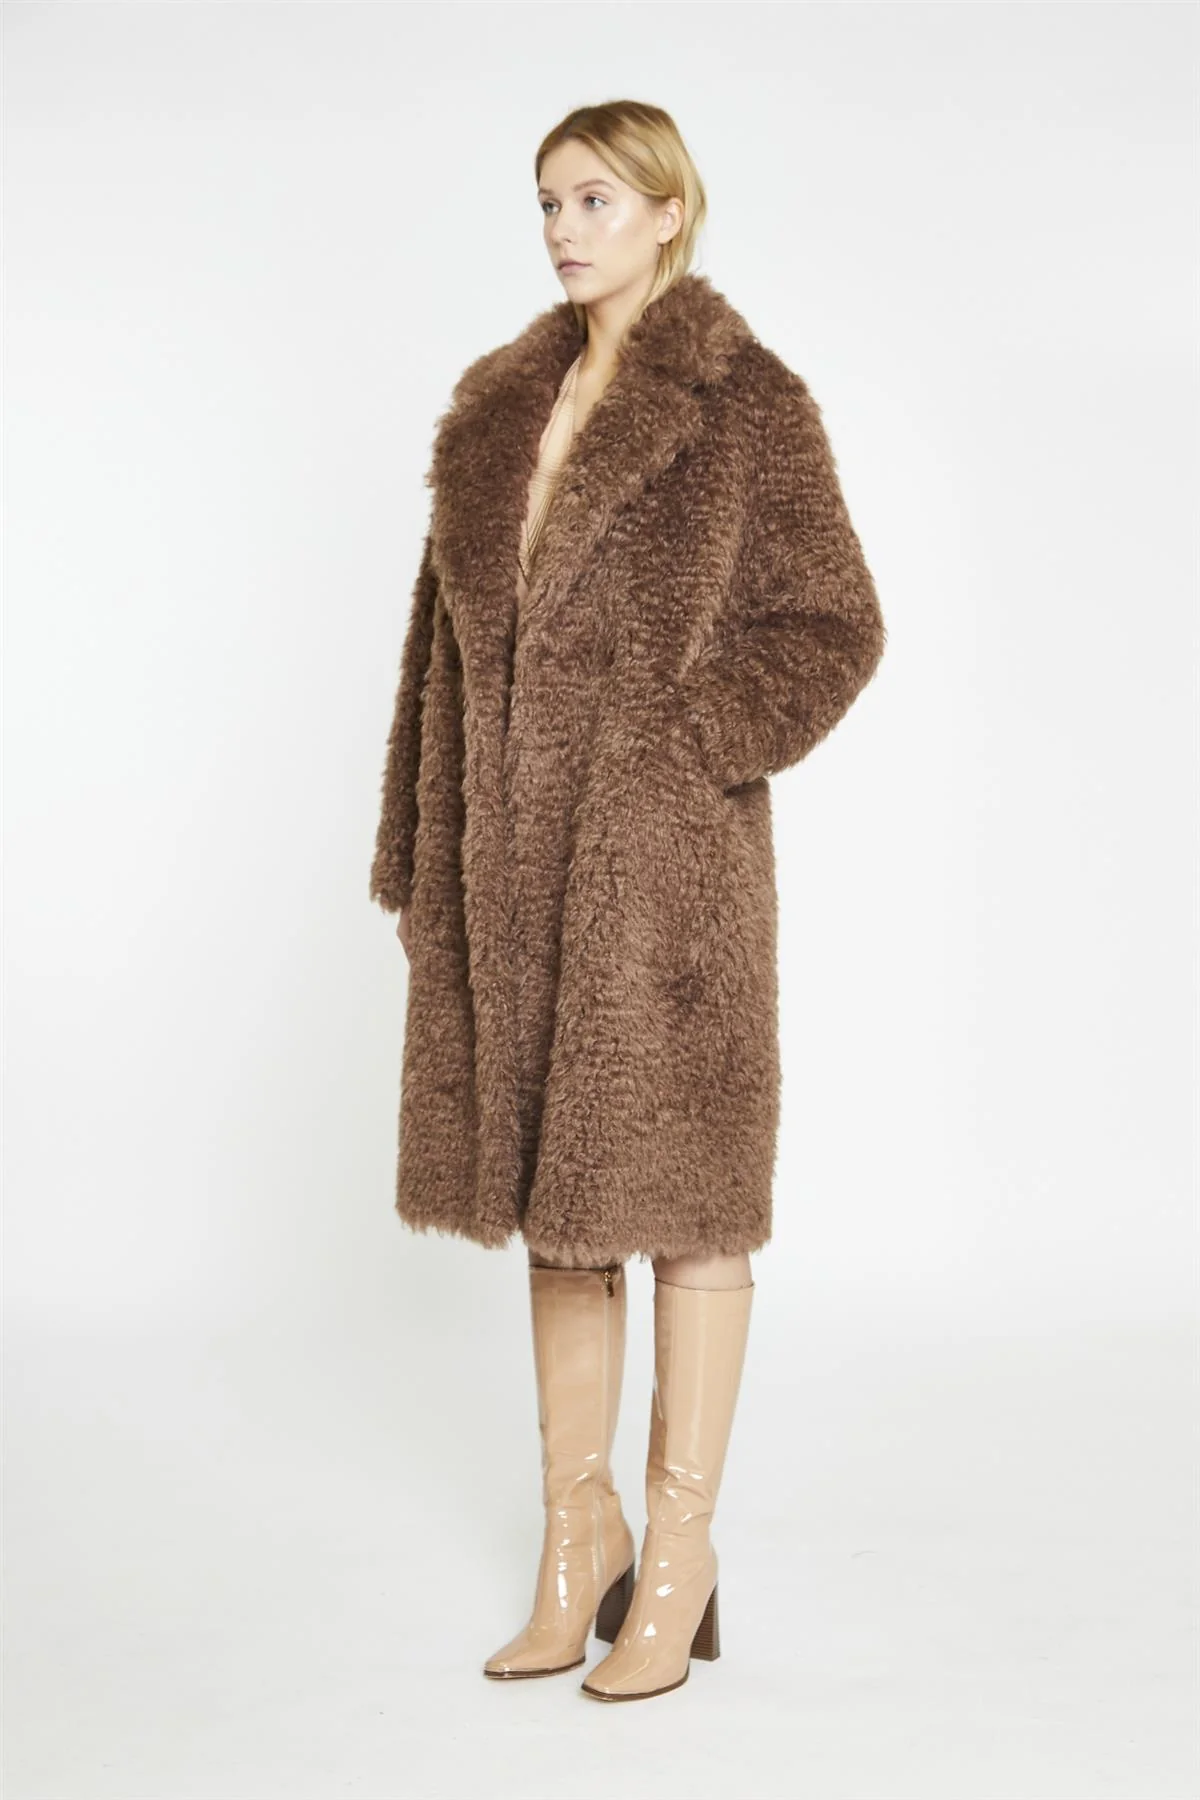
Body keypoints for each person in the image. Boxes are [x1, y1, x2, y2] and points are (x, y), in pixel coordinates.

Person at [369, 100, 886, 1702]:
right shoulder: (497, 407)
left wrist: (687, 747)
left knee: (690, 1205)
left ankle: (679, 1552)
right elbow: (437, 657)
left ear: (670, 210)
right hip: (511, 868)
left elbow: (835, 624)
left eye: (596, 199)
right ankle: (575, 1532)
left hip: (665, 886)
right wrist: (417, 845)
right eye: (547, 203)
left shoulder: (742, 402)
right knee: (562, 1200)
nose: (563, 230)